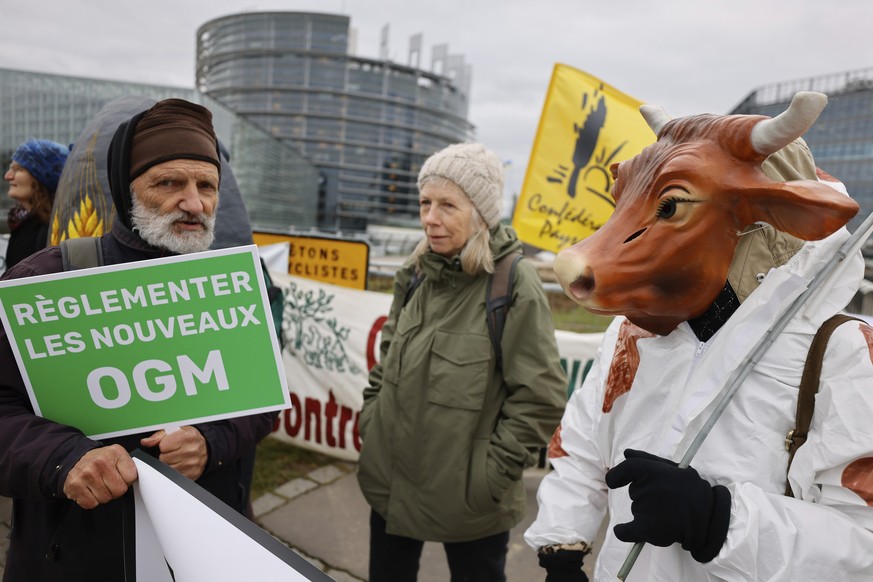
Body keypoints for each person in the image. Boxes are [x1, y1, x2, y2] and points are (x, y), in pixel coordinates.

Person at [525, 110, 873, 580]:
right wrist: (561, 547)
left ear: (769, 213)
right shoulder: (634, 334)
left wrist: (719, 521)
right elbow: (583, 445)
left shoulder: (845, 352)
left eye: (670, 206)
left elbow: (862, 545)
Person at [0, 98, 276, 581]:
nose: (194, 203)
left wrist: (211, 441)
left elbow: (264, 398)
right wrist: (64, 459)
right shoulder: (45, 279)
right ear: (126, 188)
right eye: (169, 182)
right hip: (75, 559)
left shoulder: (233, 284)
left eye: (206, 185)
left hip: (200, 553)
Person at [356, 142, 567, 582]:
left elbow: (541, 397)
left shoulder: (512, 284)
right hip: (391, 482)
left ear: (481, 213)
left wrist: (488, 478)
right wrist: (371, 422)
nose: (430, 218)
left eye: (447, 204)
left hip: (471, 502)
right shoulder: (415, 274)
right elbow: (387, 360)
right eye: (425, 203)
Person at [4, 139, 69, 268]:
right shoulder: (20, 223)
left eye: (18, 169)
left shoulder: (49, 232)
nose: (8, 176)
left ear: (41, 178)